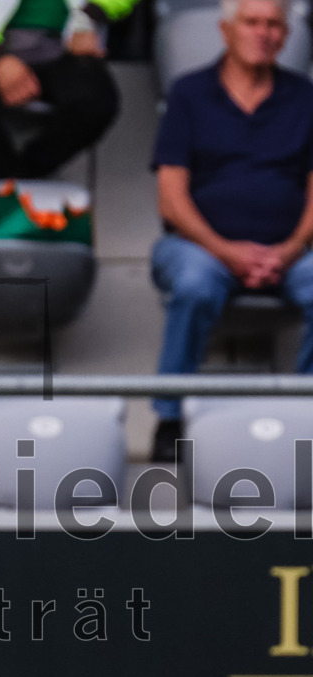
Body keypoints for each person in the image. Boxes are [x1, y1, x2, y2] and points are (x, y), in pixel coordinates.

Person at [149, 0, 313, 461]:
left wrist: (289, 250)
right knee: (196, 283)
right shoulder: (189, 93)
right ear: (226, 30)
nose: (262, 32)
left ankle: (304, 417)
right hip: (197, 247)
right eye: (251, 22)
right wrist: (227, 252)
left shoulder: (305, 98)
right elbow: (171, 199)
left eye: (272, 25)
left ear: (285, 36)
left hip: (291, 251)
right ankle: (170, 418)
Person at [0, 0, 138, 179]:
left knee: (95, 103)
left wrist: (90, 16)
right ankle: (2, 176)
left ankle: (27, 176)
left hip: (65, 43)